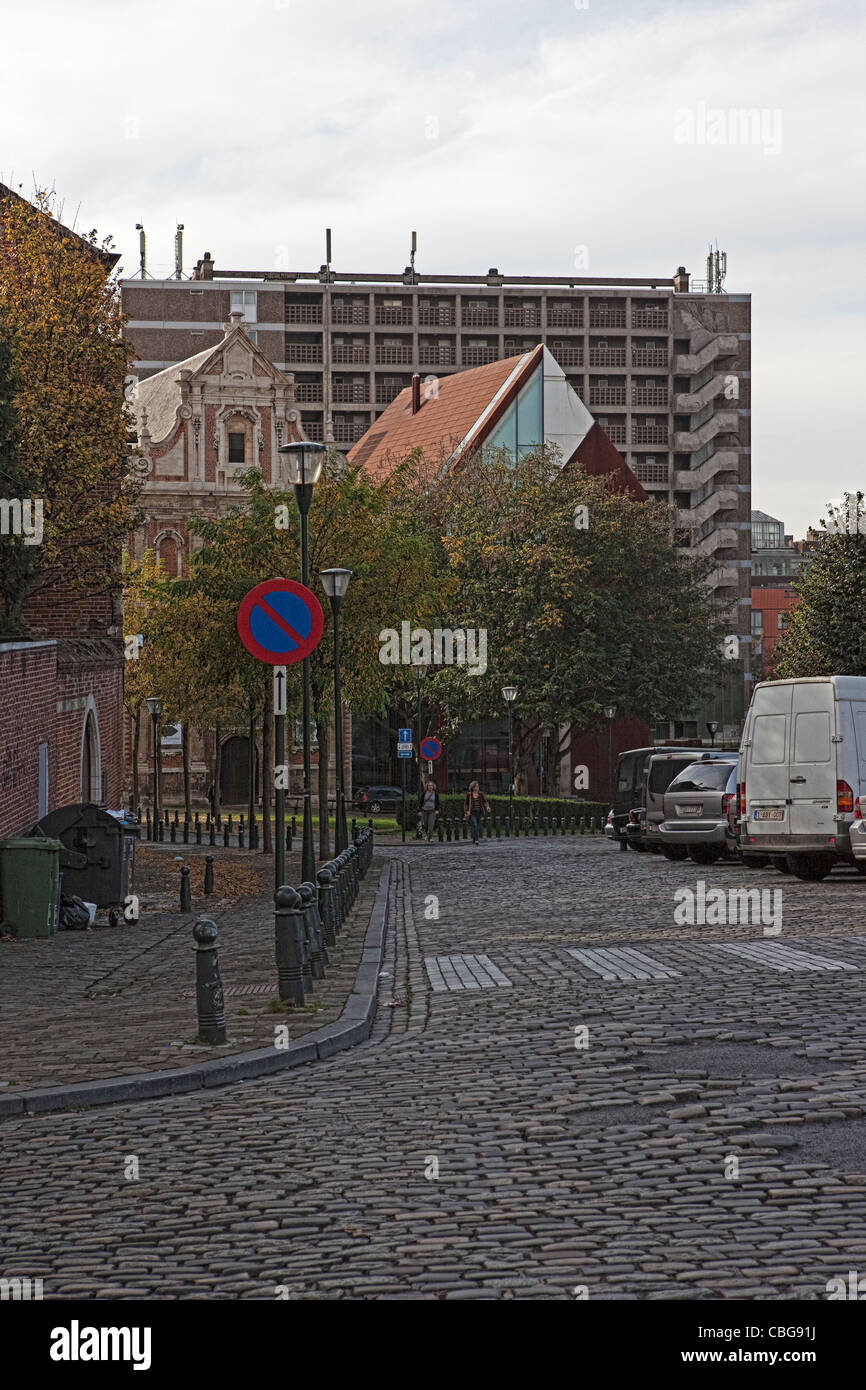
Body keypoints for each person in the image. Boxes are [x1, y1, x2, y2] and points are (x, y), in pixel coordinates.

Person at [464, 780, 490, 845]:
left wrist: (487, 807)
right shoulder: (469, 794)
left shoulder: (481, 794)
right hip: (472, 813)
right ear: (473, 787)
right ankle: (477, 840)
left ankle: (474, 839)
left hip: (479, 812)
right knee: (475, 825)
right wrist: (467, 811)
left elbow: (485, 802)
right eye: (476, 786)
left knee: (476, 826)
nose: (478, 788)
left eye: (478, 786)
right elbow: (466, 804)